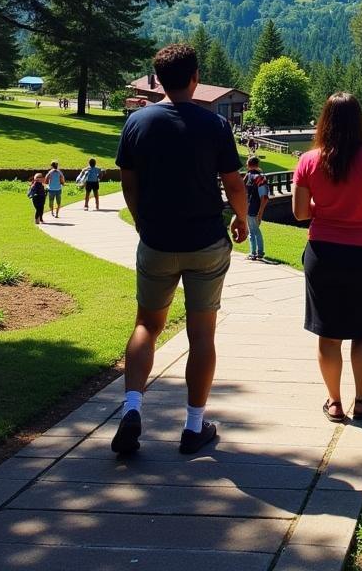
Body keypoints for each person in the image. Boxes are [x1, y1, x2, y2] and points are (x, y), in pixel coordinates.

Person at [110, 43, 249, 457]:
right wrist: (240, 218)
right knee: (201, 331)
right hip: (205, 240)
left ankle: (132, 409)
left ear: (160, 80)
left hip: (157, 241)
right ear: (195, 78)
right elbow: (234, 183)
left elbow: (129, 183)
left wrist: (141, 220)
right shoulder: (214, 127)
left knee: (146, 325)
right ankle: (193, 426)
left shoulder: (138, 123)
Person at [292, 93, 362, 423]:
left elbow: (299, 212)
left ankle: (335, 403)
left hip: (323, 253)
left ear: (324, 120)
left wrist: (326, 209)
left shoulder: (309, 161)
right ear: (360, 121)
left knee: (329, 333)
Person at [243, 156, 269, 261]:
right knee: (255, 230)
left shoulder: (247, 177)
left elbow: (242, 192)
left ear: (249, 164)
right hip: (256, 208)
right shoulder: (261, 177)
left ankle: (253, 253)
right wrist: (261, 211)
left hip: (249, 208)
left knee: (252, 231)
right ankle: (259, 252)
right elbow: (265, 197)